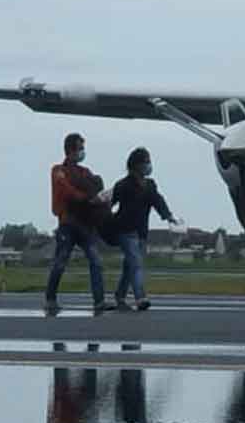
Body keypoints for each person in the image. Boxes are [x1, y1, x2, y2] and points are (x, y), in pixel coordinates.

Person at [45, 133, 114, 315]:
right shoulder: (58, 170)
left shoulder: (85, 172)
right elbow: (66, 189)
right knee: (61, 262)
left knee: (96, 262)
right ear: (71, 150)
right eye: (80, 148)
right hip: (68, 223)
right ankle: (50, 299)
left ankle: (99, 301)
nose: (82, 152)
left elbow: (95, 188)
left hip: (85, 224)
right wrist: (85, 197)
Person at [110, 147, 177, 311]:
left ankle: (120, 295)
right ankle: (140, 297)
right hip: (125, 231)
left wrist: (168, 215)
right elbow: (109, 203)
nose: (149, 165)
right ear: (137, 165)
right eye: (146, 161)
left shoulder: (150, 185)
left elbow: (157, 200)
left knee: (129, 266)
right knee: (136, 263)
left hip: (141, 232)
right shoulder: (122, 185)